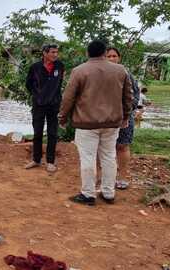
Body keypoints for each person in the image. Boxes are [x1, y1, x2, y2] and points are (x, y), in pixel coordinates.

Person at [59, 40, 133, 206]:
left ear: (88, 53)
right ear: (104, 53)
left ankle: (88, 194)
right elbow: (128, 96)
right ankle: (108, 193)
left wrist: (62, 118)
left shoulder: (79, 71)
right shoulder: (120, 70)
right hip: (112, 123)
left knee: (88, 157)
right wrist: (126, 116)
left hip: (87, 123)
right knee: (109, 156)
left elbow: (68, 97)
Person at [25, 44, 65, 173]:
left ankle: (50, 162)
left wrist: (55, 97)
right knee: (37, 133)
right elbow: (28, 84)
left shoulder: (59, 66)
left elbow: (59, 84)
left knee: (52, 133)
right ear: (45, 53)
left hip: (54, 105)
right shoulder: (35, 67)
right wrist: (38, 96)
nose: (55, 55)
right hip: (39, 105)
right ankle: (36, 159)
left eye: (56, 52)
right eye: (52, 52)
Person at [106, 47, 140, 190]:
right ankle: (103, 177)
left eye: (114, 56)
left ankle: (122, 177)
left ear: (119, 58)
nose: (112, 58)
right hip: (105, 117)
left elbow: (135, 96)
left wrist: (126, 111)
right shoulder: (101, 74)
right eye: (109, 56)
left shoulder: (127, 74)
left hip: (124, 117)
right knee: (104, 148)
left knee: (122, 146)